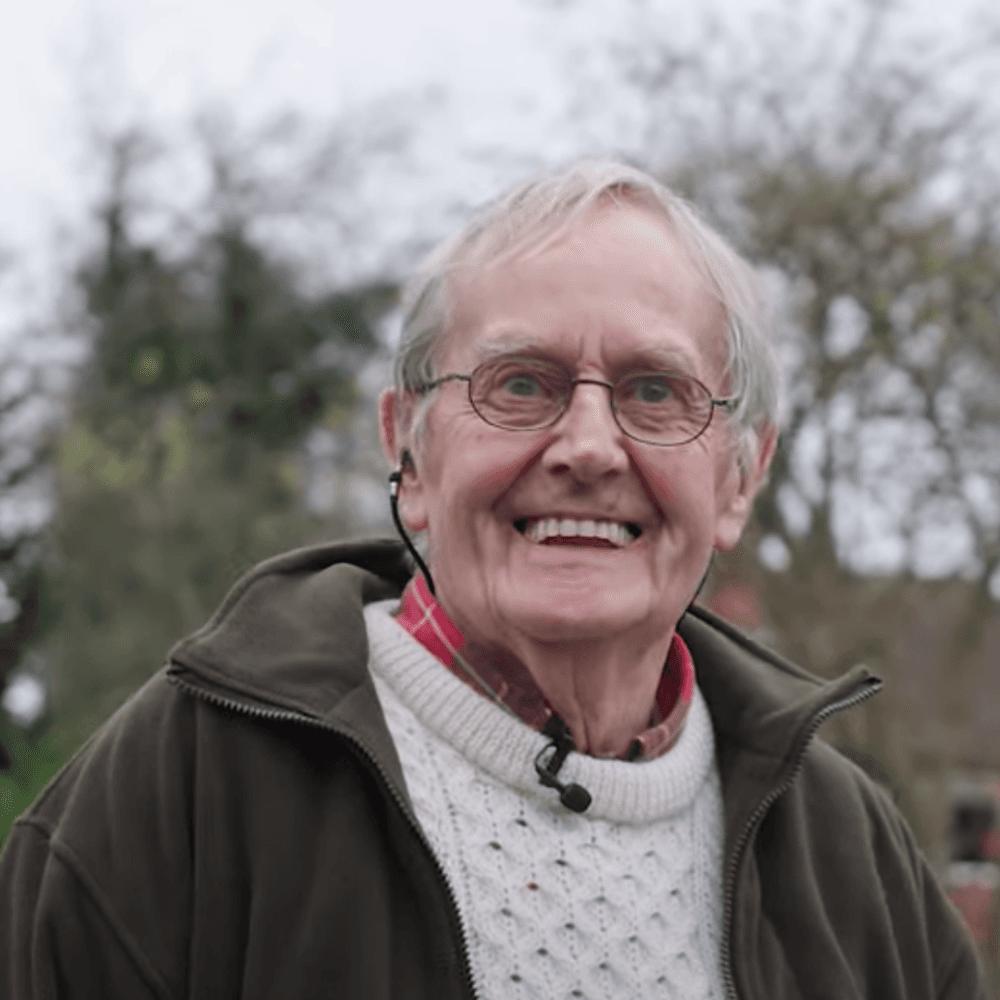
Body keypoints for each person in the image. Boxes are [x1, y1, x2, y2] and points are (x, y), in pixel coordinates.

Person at [0, 160, 988, 999]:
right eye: (521, 383)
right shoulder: (188, 789)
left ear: (739, 478)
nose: (588, 446)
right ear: (409, 451)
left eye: (655, 390)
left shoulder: (849, 858)